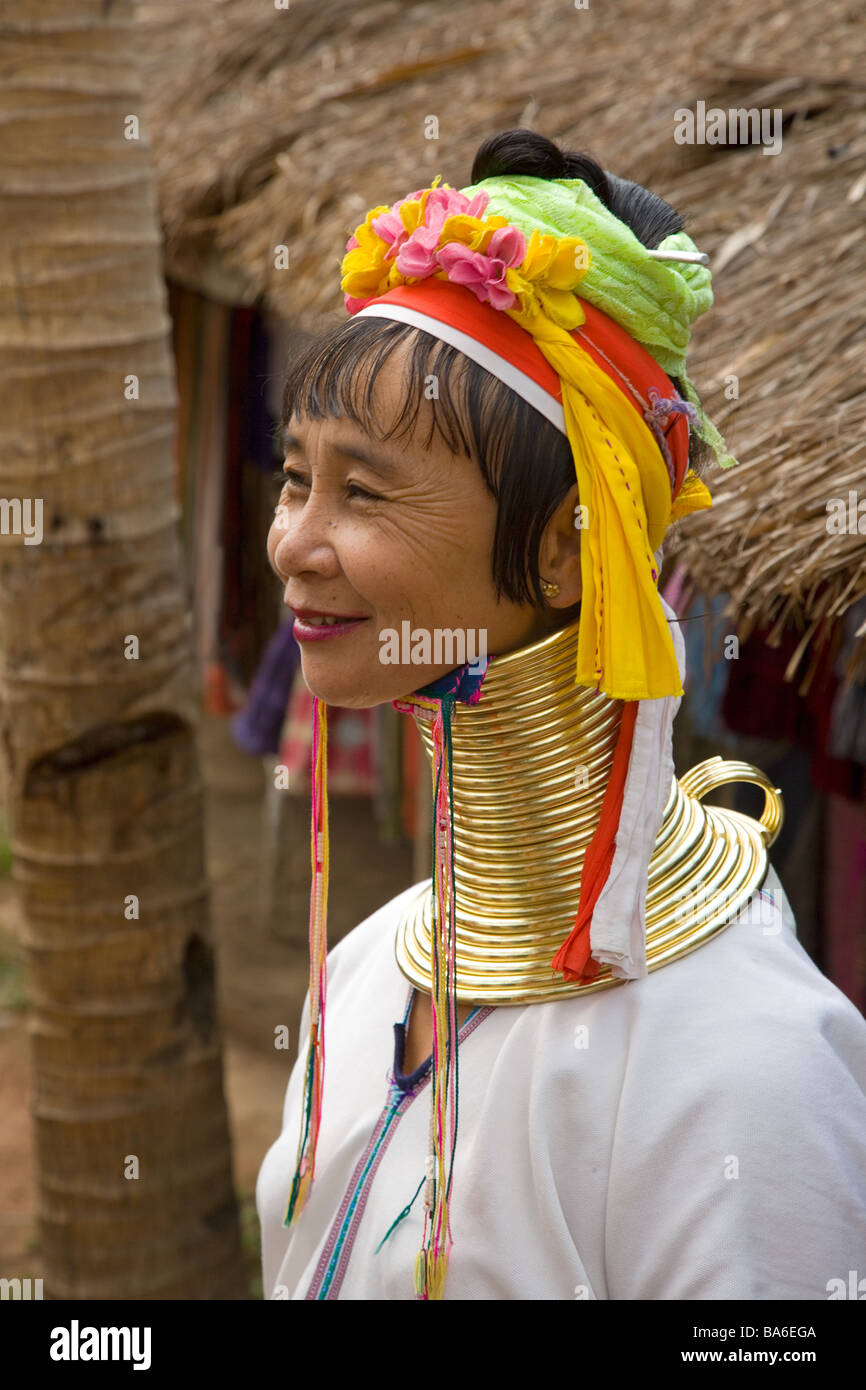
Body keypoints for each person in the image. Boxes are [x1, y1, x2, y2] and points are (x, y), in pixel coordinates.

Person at [255, 128, 866, 1301]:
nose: (290, 541)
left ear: (561, 548)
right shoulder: (369, 969)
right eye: (294, 477)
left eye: (362, 491)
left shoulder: (743, 1068)